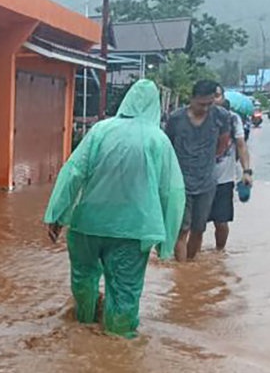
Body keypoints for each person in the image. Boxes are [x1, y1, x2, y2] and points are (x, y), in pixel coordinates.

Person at [44, 79, 185, 339]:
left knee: (83, 279)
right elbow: (172, 193)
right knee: (124, 291)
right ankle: (117, 346)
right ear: (155, 106)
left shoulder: (101, 131)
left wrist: (56, 215)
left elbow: (74, 172)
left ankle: (82, 327)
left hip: (87, 224)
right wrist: (166, 241)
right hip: (132, 231)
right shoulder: (159, 141)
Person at [164, 79, 231, 261]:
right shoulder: (176, 118)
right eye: (202, 104)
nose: (206, 108)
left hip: (206, 182)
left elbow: (223, 144)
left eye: (210, 104)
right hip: (180, 182)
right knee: (181, 230)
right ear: (192, 99)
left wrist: (207, 161)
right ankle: (182, 274)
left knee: (198, 229)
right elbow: (166, 147)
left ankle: (190, 267)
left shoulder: (221, 116)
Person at [210, 86, 254, 251]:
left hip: (224, 179)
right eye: (211, 96)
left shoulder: (233, 119)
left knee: (221, 222)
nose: (214, 99)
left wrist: (247, 172)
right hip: (199, 179)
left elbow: (242, 146)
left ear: (223, 98)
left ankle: (219, 254)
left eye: (217, 95)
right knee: (195, 226)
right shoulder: (199, 117)